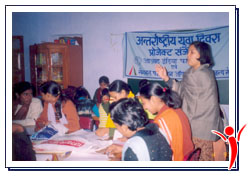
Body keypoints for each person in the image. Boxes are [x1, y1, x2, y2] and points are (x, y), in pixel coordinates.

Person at [155, 41, 223, 161]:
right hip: (203, 125)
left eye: (192, 52)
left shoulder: (198, 74)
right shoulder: (200, 72)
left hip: (199, 126)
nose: (188, 55)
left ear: (201, 55)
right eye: (188, 52)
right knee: (201, 158)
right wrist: (166, 78)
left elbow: (183, 93)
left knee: (201, 160)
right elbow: (183, 89)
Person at [139, 82, 194, 161]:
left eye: (144, 103)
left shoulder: (161, 121)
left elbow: (154, 150)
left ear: (154, 99)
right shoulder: (177, 110)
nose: (144, 108)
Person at [107, 98, 172, 161]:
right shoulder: (158, 131)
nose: (117, 129)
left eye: (116, 126)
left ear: (124, 127)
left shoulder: (132, 146)